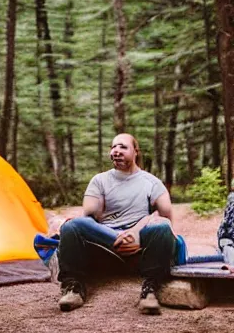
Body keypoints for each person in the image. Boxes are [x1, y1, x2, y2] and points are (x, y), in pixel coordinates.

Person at [57, 133, 176, 315]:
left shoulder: (151, 183)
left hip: (137, 240)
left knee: (162, 228)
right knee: (72, 226)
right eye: (113, 147)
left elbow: (166, 216)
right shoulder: (100, 180)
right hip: (105, 238)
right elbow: (90, 212)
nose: (116, 151)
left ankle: (151, 289)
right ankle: (73, 287)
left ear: (136, 152)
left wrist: (136, 230)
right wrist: (99, 207)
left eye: (122, 147)